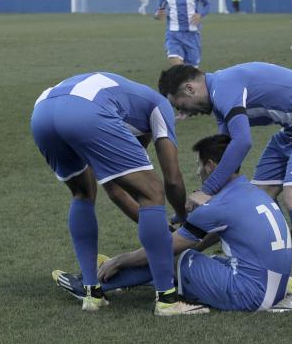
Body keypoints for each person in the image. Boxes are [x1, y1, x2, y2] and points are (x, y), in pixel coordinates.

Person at [157, 62, 292, 311]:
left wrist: (208, 191)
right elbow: (227, 153)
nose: (184, 113)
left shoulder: (223, 88)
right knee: (258, 200)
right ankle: (266, 271)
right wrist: (196, 215)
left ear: (190, 88)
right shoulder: (220, 98)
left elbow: (243, 142)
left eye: (180, 105)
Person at [52, 134, 292, 312]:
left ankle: (91, 286)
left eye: (199, 165)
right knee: (195, 259)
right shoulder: (252, 192)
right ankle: (113, 279)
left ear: (210, 166)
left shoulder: (218, 206)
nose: (198, 171)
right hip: (277, 289)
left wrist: (122, 259)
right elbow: (202, 241)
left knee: (175, 259)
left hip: (251, 296)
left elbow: (167, 248)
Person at [30, 72, 206, 316]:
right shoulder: (160, 105)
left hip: (42, 110)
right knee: (154, 192)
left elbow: (115, 191)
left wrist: (162, 231)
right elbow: (173, 180)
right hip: (84, 110)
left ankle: (92, 295)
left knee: (82, 194)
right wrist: (180, 217)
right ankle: (167, 300)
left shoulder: (125, 107)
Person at [154, 0, 210, 67]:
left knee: (191, 74)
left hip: (192, 35)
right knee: (178, 69)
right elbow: (158, 11)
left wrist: (200, 14)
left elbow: (207, 5)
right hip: (173, 35)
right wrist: (157, 15)